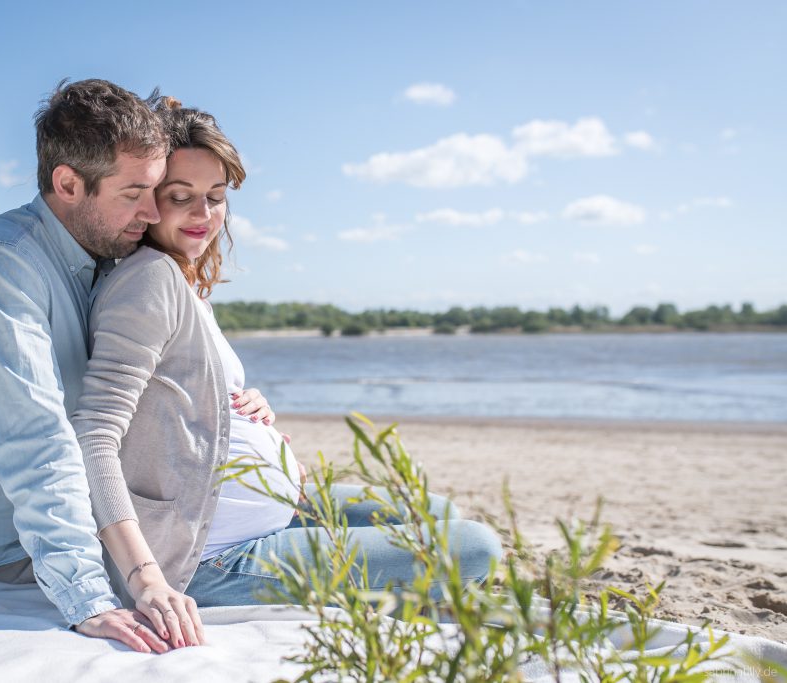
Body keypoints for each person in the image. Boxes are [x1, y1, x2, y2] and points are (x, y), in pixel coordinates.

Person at [70, 97, 503, 654]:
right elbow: (96, 436)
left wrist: (243, 415)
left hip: (256, 511)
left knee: (434, 512)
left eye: (216, 197)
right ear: (148, 197)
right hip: (209, 557)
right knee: (475, 548)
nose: (203, 214)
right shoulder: (147, 281)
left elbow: (173, 399)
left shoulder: (180, 282)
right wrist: (146, 579)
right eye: (181, 197)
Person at [0, 78, 180, 653]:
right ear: (67, 183)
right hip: (16, 551)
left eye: (157, 188)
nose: (153, 210)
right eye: (134, 191)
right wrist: (87, 597)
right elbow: (34, 435)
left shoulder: (107, 252)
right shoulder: (5, 261)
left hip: (115, 520)